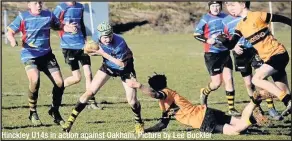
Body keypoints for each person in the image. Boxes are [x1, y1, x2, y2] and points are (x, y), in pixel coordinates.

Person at [62, 22, 144, 134]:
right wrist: (90, 51)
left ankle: (138, 122)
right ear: (99, 35)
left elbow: (121, 64)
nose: (108, 39)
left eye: (110, 36)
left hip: (125, 70)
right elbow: (89, 51)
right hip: (108, 67)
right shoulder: (96, 36)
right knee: (89, 92)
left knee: (132, 101)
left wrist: (101, 53)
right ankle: (70, 121)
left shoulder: (120, 43)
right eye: (105, 37)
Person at [6, 1, 76, 126]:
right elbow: (10, 31)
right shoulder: (23, 17)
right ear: (29, 5)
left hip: (47, 55)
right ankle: (33, 112)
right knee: (34, 80)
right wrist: (12, 40)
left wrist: (67, 27)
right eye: (35, 3)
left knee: (60, 83)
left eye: (40, 2)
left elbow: (57, 25)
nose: (38, 5)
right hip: (30, 55)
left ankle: (54, 110)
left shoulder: (48, 15)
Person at [127, 73, 268, 135]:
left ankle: (252, 113)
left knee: (235, 131)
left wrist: (139, 86)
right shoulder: (167, 101)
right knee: (237, 122)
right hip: (207, 111)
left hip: (202, 121)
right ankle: (255, 113)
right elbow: (163, 124)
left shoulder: (164, 93)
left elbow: (155, 94)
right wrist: (147, 131)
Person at [217, 1, 291, 117]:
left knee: (256, 79)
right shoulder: (240, 26)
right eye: (227, 6)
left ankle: (287, 100)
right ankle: (288, 100)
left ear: (242, 4)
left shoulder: (257, 15)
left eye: (232, 5)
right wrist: (224, 42)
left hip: (278, 54)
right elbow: (232, 45)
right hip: (268, 59)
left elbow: (283, 19)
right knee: (284, 92)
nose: (229, 8)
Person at [193, 1, 240, 116]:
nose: (215, 8)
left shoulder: (226, 17)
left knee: (229, 78)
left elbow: (232, 31)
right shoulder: (206, 18)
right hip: (212, 54)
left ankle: (231, 108)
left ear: (221, 7)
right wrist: (207, 40)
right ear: (210, 7)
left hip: (225, 53)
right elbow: (196, 34)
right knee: (216, 83)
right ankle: (204, 92)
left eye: (218, 6)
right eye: (213, 6)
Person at [53, 1, 103, 110]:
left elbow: (81, 23)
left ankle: (91, 101)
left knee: (89, 73)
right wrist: (65, 26)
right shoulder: (60, 7)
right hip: (68, 47)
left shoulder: (80, 6)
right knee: (77, 78)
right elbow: (52, 23)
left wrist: (85, 39)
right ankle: (57, 88)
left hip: (81, 45)